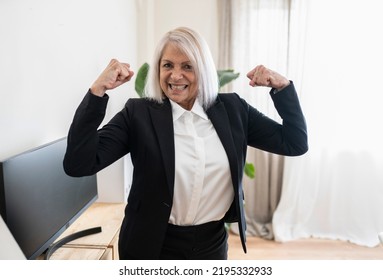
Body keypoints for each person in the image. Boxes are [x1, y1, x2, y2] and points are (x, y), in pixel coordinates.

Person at [63, 27, 308, 260]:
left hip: (211, 245)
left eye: (187, 66)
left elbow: (294, 143)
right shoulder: (137, 114)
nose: (176, 75)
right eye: (167, 65)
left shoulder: (234, 110)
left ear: (202, 70)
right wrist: (97, 91)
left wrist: (282, 87)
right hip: (151, 246)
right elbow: (78, 163)